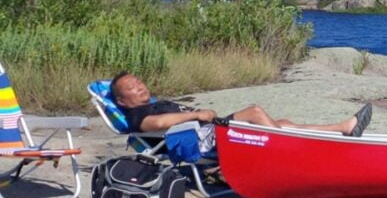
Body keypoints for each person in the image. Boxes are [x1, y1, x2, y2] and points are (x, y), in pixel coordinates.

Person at [109, 72, 372, 136]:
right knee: (255, 112)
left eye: (139, 82)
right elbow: (155, 124)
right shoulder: (138, 114)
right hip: (200, 137)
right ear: (122, 100)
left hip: (208, 130)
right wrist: (198, 114)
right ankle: (283, 150)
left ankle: (342, 128)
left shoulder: (151, 103)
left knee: (283, 123)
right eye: (131, 88)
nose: (140, 87)